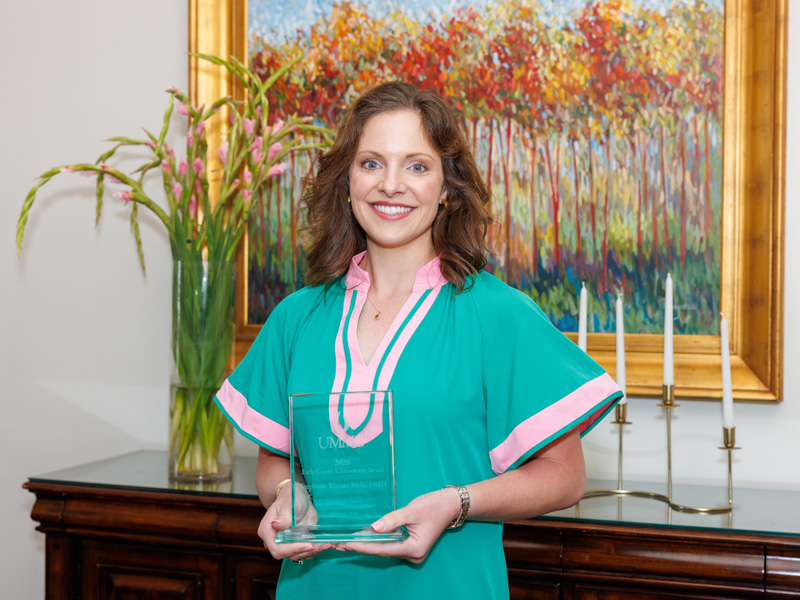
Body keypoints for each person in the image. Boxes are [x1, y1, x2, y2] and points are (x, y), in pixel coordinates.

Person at [214, 81, 622, 599]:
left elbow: (565, 477)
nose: (391, 185)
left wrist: (456, 502)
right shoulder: (295, 317)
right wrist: (287, 494)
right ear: (347, 181)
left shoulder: (498, 315)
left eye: (417, 166)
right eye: (371, 163)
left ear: (446, 187)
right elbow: (275, 456)